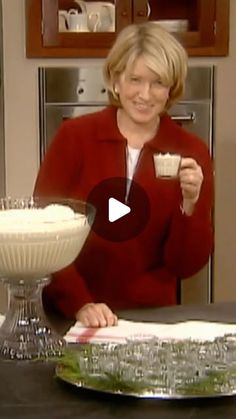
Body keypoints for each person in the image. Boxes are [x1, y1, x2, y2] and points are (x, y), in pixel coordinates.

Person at [34, 22, 214, 328]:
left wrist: (190, 205)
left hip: (152, 319)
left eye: (158, 82)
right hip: (73, 312)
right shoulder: (74, 137)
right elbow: (43, 234)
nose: (145, 94)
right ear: (116, 81)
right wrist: (80, 304)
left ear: (171, 87)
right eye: (135, 79)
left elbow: (185, 265)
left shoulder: (190, 150)